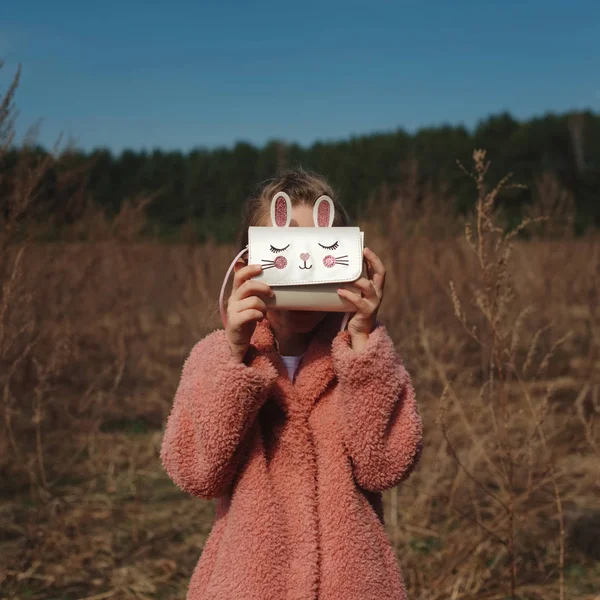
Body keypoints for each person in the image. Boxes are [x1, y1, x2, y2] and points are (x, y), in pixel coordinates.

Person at [160, 169, 423, 600]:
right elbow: (195, 473)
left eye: (322, 250)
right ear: (246, 264)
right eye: (284, 248)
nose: (304, 268)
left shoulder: (361, 361)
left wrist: (362, 346)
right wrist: (232, 357)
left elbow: (386, 467)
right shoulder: (219, 361)